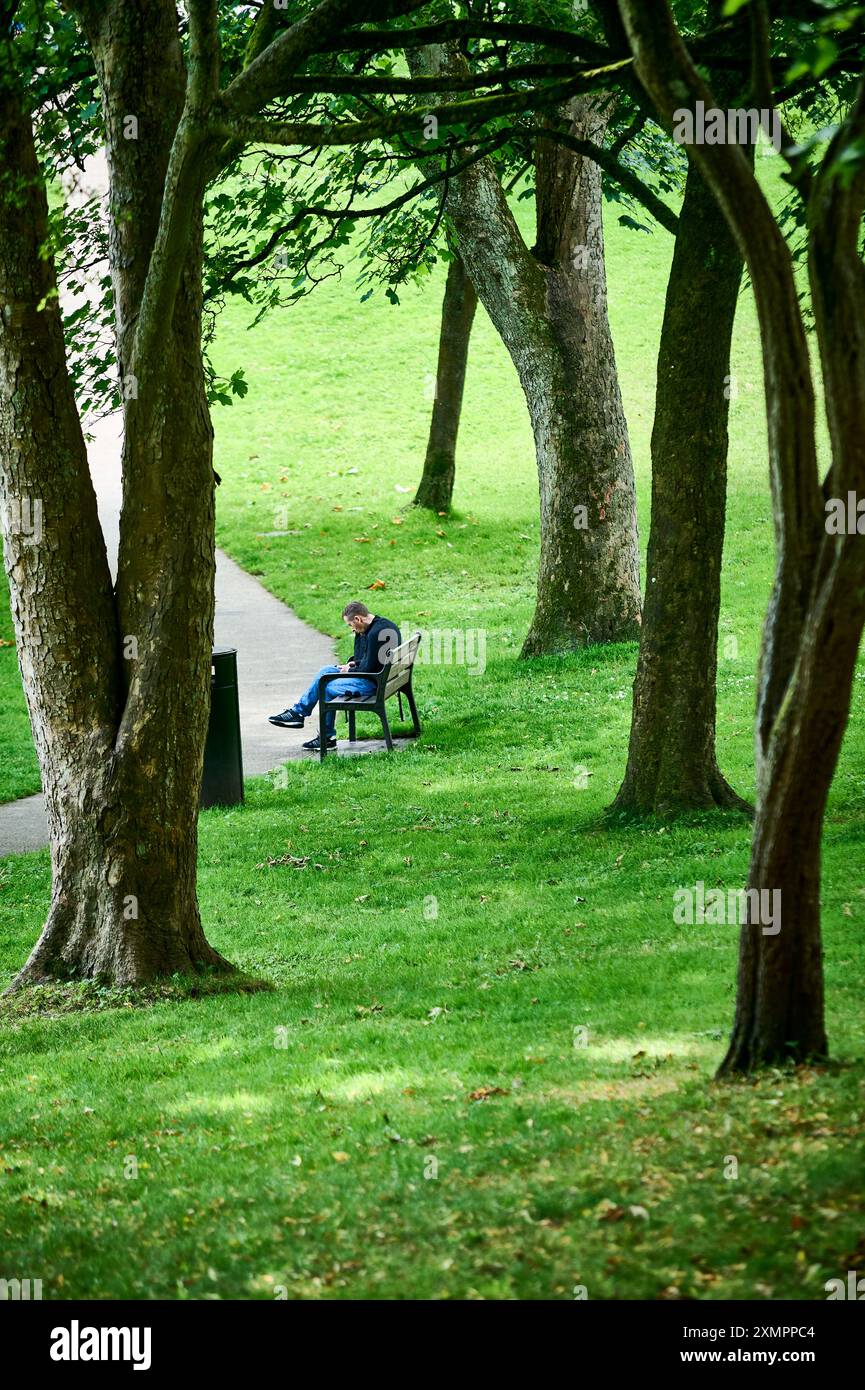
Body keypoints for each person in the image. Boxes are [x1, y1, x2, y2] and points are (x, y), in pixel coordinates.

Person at [269, 602, 402, 752]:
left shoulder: (373, 633)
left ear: (358, 619)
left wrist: (350, 669)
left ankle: (325, 737)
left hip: (373, 683)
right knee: (325, 671)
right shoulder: (380, 626)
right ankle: (298, 713)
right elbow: (364, 659)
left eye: (350, 625)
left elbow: (368, 667)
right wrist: (352, 665)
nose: (351, 629)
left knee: (325, 685)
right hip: (381, 677)